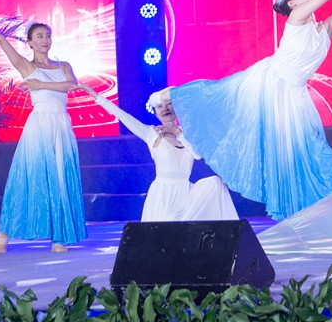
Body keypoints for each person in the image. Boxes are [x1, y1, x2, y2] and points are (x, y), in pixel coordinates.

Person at [167, 0, 332, 219]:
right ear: (293, 4)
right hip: (270, 83)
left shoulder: (324, 31)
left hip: (293, 94)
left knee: (304, 147)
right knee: (219, 98)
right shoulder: (297, 19)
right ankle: (173, 96)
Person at [0, 3, 86, 253]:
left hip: (61, 125)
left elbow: (72, 86)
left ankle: (58, 238)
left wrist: (40, 84)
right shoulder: (26, 66)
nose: (45, 40)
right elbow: (0, 39)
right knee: (28, 179)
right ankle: (4, 231)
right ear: (30, 43)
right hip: (40, 126)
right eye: (39, 37)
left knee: (60, 179)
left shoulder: (63, 66)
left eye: (47, 36)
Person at [78, 86, 238, 221]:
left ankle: (230, 236)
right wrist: (95, 95)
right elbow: (122, 116)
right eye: (160, 106)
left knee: (215, 183)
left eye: (169, 104)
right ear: (155, 112)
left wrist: (177, 132)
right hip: (163, 196)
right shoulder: (151, 133)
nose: (165, 109)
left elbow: (197, 155)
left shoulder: (187, 134)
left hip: (186, 195)